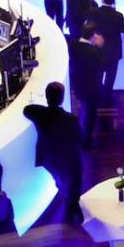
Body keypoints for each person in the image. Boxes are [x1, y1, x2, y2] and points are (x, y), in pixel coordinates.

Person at [24, 82, 84, 221]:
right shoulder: (72, 119)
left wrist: (46, 108)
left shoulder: (39, 114)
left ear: (46, 96)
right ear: (62, 98)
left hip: (49, 159)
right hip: (68, 160)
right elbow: (79, 139)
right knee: (76, 177)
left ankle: (64, 191)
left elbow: (27, 109)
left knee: (62, 179)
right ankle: (72, 205)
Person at [87, 0, 124, 105]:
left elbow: (89, 27)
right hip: (113, 52)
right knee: (110, 78)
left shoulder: (93, 12)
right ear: (114, 0)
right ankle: (107, 98)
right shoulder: (118, 15)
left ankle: (98, 96)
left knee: (98, 75)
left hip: (97, 49)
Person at [69, 21, 105, 147]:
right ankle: (86, 141)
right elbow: (102, 65)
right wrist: (99, 46)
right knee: (90, 114)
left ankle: (82, 135)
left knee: (85, 111)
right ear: (93, 35)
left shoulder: (73, 44)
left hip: (77, 84)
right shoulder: (92, 52)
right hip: (90, 88)